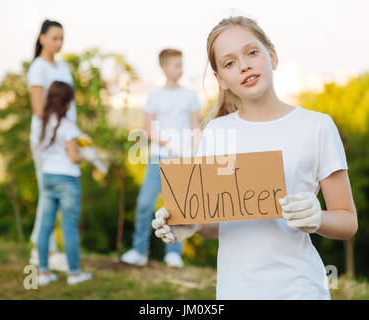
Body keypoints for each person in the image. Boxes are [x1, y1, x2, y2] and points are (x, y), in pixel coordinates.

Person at [152, 16, 358, 299]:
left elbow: (347, 222)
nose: (244, 65)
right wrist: (194, 224)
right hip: (235, 291)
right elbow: (217, 223)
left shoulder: (317, 126)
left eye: (251, 52)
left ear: (272, 56)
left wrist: (316, 217)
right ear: (220, 80)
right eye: (229, 62)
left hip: (300, 290)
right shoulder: (216, 132)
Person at [121, 49, 202, 268]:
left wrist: (191, 149)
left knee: (178, 207)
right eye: (175, 65)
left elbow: (196, 126)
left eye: (181, 64)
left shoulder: (190, 96)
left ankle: (174, 252)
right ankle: (139, 251)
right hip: (158, 158)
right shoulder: (154, 96)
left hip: (182, 160)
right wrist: (170, 144)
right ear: (164, 67)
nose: (180, 69)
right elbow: (147, 130)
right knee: (144, 204)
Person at [27, 19, 76, 272]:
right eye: (54, 38)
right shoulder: (38, 68)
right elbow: (38, 109)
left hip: (64, 138)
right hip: (48, 141)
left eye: (62, 38)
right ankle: (44, 250)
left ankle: (43, 246)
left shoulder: (63, 66)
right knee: (48, 195)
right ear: (42, 38)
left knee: (56, 196)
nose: (59, 43)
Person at [36, 81, 94, 286]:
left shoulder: (43, 121)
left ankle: (43, 273)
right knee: (69, 227)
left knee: (45, 226)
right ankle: (74, 274)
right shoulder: (69, 127)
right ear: (68, 102)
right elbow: (73, 157)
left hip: (48, 177)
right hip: (67, 179)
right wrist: (86, 155)